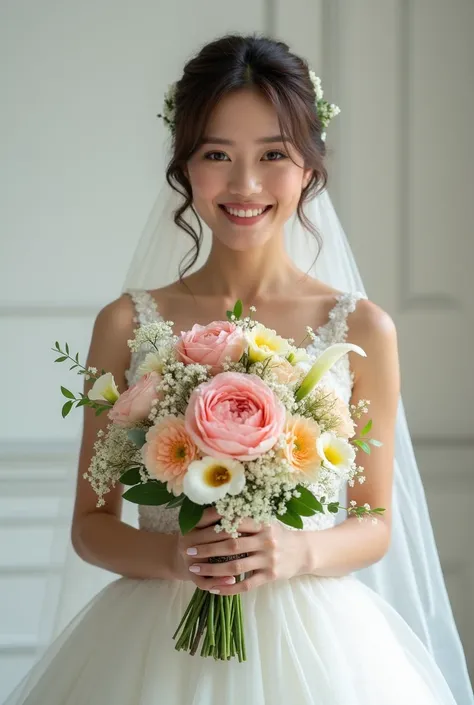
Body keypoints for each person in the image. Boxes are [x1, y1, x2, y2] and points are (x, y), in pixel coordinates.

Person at [4, 32, 472, 705]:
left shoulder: (363, 329)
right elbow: (90, 522)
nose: (245, 184)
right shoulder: (127, 324)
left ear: (309, 166)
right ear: (185, 166)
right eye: (217, 154)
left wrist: (296, 549)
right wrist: (175, 556)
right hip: (155, 636)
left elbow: (374, 521)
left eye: (274, 155)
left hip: (315, 643)